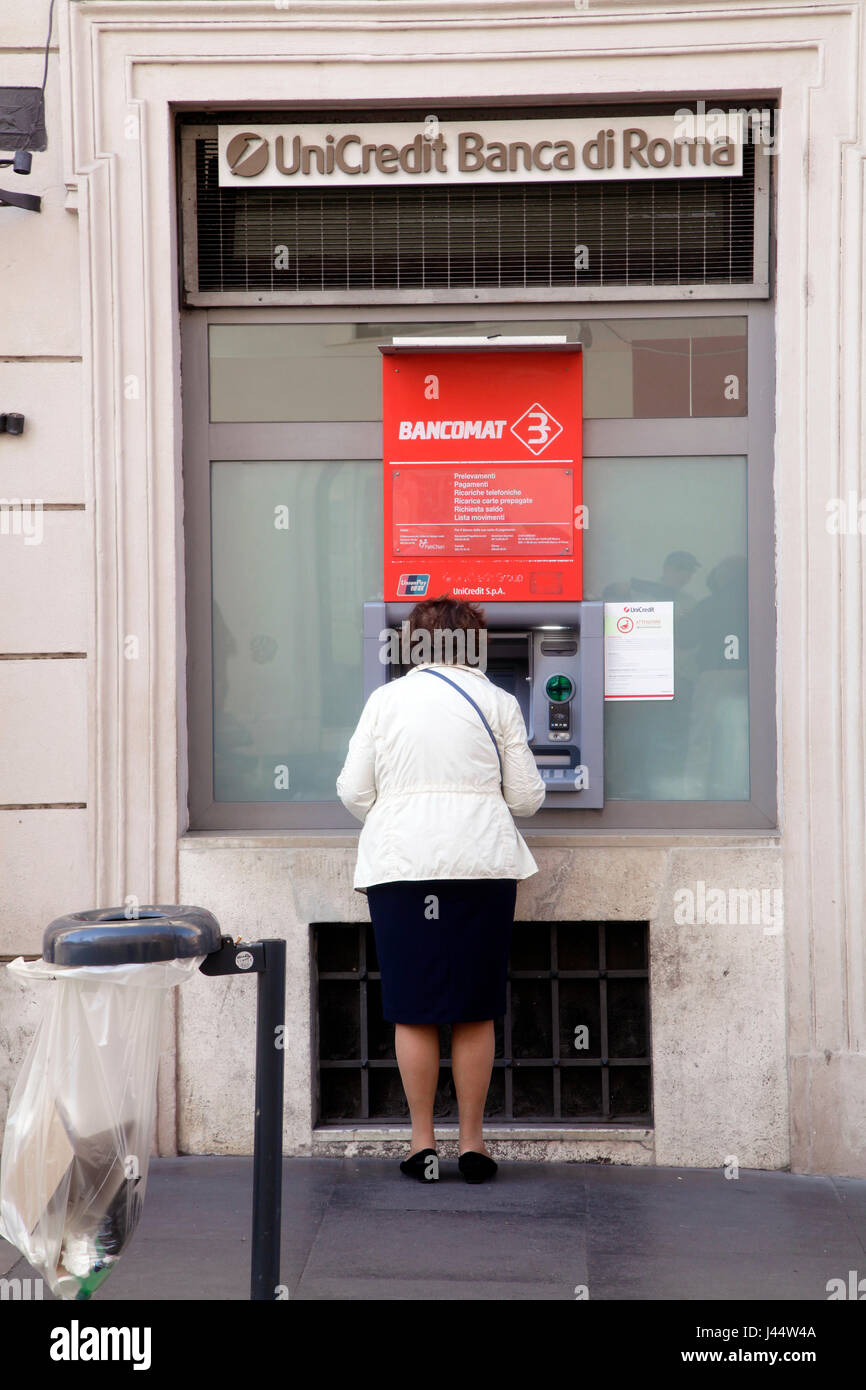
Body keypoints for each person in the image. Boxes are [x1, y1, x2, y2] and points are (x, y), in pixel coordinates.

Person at [336, 595, 546, 1184]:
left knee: (413, 1008)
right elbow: (527, 799)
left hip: (402, 866)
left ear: (415, 643)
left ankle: (422, 1143)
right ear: (473, 644)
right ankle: (474, 1145)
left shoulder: (385, 701)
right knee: (476, 1007)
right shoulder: (499, 701)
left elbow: (353, 792)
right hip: (479, 864)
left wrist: (403, 810)